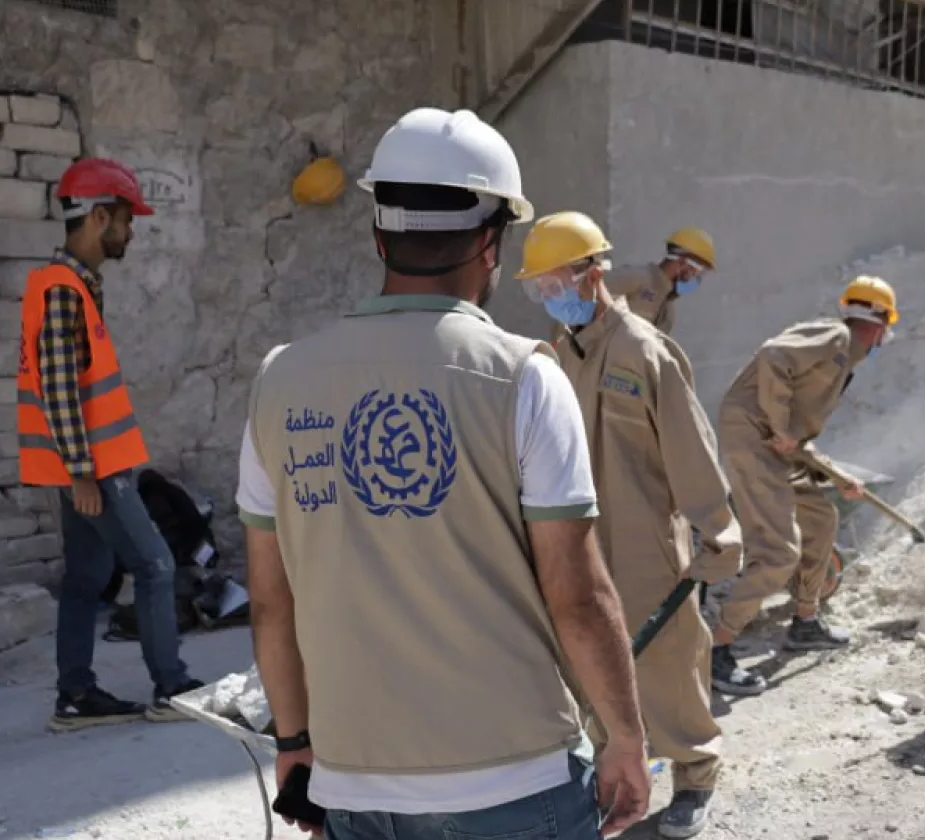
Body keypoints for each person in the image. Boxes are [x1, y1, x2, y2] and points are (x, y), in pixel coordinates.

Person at [235, 108, 649, 840]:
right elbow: (578, 597)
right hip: (515, 783)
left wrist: (295, 746)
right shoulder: (525, 377)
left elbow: (272, 604)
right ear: (493, 240)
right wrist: (626, 737)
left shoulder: (280, 381)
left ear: (377, 234)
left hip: (353, 787)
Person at [522, 210, 743, 838]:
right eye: (539, 286)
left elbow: (689, 447)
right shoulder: (559, 356)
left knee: (669, 663)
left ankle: (696, 774)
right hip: (580, 536)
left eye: (557, 280)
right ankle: (617, 773)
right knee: (590, 658)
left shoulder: (645, 349)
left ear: (593, 274)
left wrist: (718, 528)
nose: (549, 295)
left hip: (646, 538)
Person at [17, 157, 203, 733]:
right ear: (99, 217)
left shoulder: (70, 287)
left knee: (84, 578)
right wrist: (81, 472)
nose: (131, 230)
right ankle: (170, 687)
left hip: (86, 467)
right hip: (96, 468)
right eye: (126, 218)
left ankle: (75, 696)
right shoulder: (63, 291)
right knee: (154, 565)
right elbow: (60, 390)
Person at [705, 276, 896, 696]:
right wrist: (779, 425)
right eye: (885, 330)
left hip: (775, 445)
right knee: (779, 551)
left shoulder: (839, 361)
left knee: (820, 515)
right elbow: (774, 356)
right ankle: (715, 649)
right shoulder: (836, 334)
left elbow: (799, 439)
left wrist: (838, 476)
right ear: (880, 324)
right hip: (755, 439)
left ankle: (805, 622)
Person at [600, 227, 714, 334]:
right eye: (697, 271)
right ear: (683, 262)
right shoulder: (635, 278)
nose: (696, 278)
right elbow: (589, 298)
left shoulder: (667, 309)